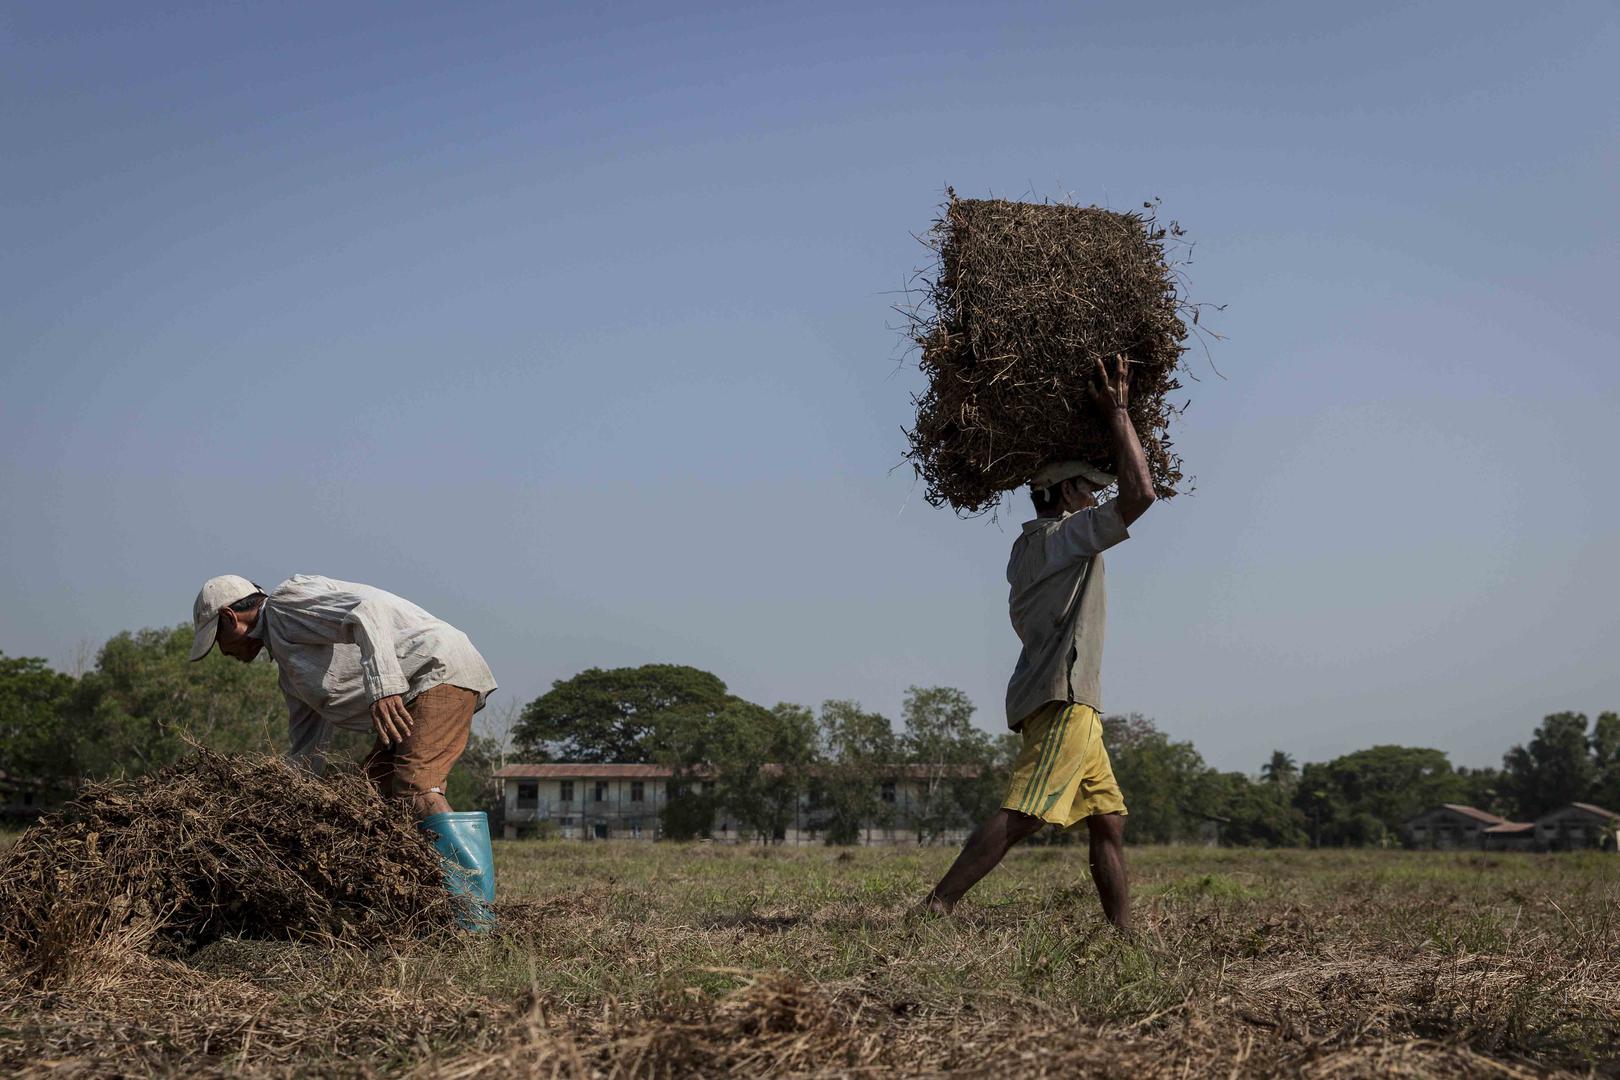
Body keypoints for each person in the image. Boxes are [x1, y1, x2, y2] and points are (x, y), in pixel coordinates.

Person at [922, 355, 1155, 930]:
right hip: (1063, 699)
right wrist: (1119, 412)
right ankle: (933, 910)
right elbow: (1141, 494)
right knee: (1026, 813)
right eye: (1088, 489)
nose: (1097, 500)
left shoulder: (1028, 547)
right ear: (1059, 492)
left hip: (1067, 701)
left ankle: (1127, 939)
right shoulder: (1063, 538)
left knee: (1108, 822)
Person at [187, 573, 498, 818]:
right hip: (412, 692)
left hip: (436, 668)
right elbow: (307, 751)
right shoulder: (290, 671)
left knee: (416, 788)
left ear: (230, 618)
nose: (223, 651)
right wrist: (283, 798)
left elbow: (366, 610)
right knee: (369, 797)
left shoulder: (285, 605)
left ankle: (471, 894)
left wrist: (384, 687)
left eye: (217, 640)